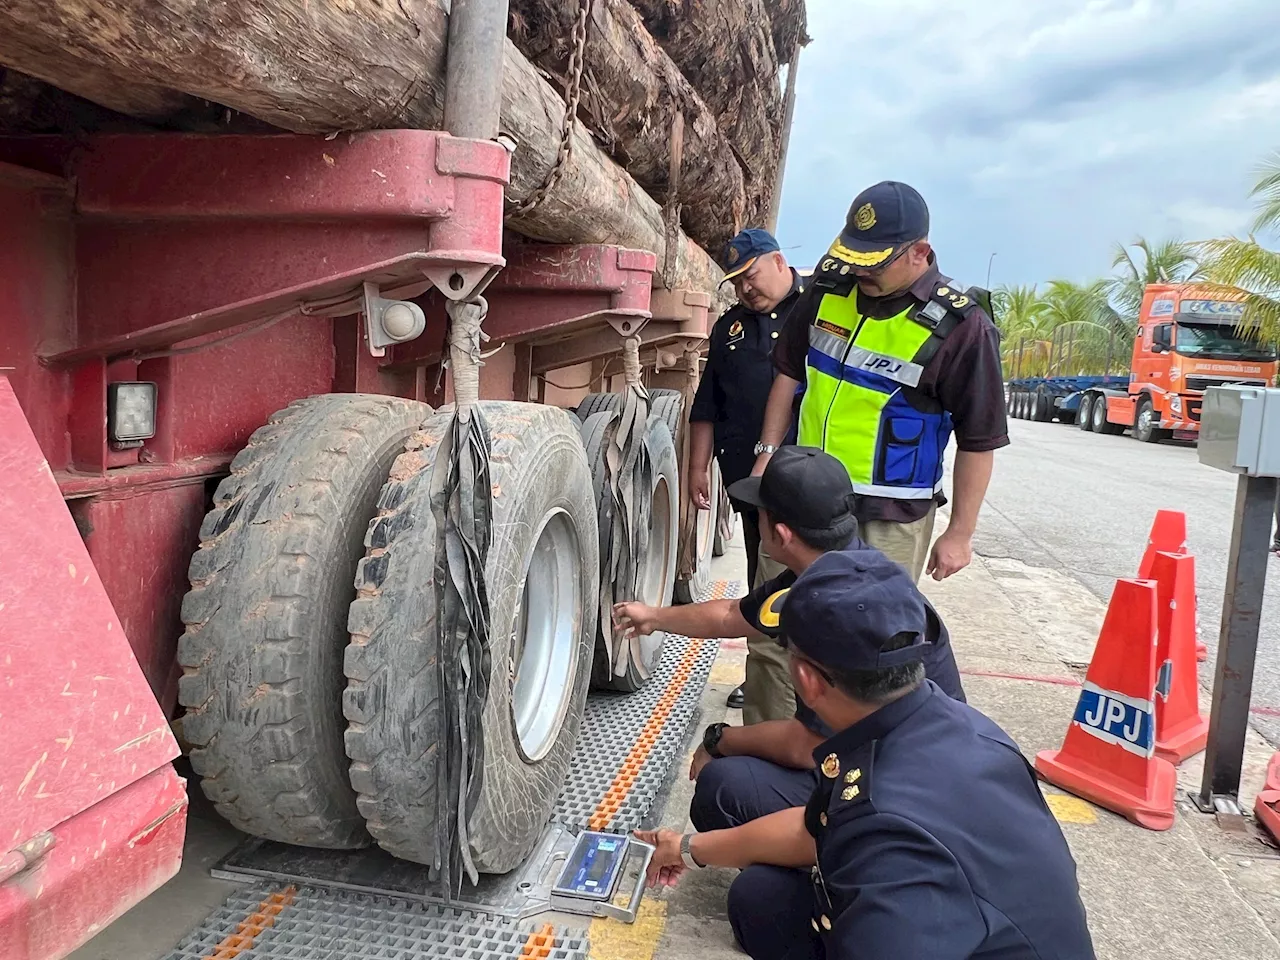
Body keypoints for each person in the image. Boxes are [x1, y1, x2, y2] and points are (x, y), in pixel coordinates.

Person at [634, 550, 1096, 960]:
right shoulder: (953, 724)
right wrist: (690, 849)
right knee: (760, 899)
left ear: (807, 679)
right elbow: (814, 828)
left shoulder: (890, 847)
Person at [753, 181, 1009, 584]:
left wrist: (960, 532)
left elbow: (980, 438)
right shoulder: (827, 290)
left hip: (888, 518)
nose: (859, 270)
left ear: (919, 253)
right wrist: (767, 451)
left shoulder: (962, 327)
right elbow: (788, 370)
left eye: (874, 262)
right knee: (773, 626)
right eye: (855, 257)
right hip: (801, 496)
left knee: (868, 636)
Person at [613, 446, 964, 724]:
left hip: (911, 773)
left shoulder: (828, 608)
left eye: (759, 513)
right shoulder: (839, 564)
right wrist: (654, 617)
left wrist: (721, 742)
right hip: (927, 747)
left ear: (781, 535)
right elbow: (731, 615)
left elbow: (807, 750)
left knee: (728, 784)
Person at [690, 228, 806, 710]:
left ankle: (807, 683)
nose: (745, 289)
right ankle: (763, 680)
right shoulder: (731, 327)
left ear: (779, 262)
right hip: (749, 487)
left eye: (752, 276)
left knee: (807, 584)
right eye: (736, 283)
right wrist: (698, 469)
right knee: (763, 582)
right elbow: (707, 404)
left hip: (802, 486)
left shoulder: (816, 309)